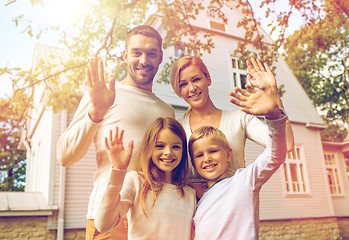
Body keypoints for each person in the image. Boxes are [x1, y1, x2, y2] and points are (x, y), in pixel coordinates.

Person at [56, 25, 175, 239]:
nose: (144, 61)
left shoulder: (166, 110)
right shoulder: (104, 95)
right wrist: (96, 112)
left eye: (151, 53)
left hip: (154, 219)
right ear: (125, 55)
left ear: (160, 58)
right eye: (137, 52)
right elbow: (65, 156)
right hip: (110, 218)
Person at [170, 56, 293, 180]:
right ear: (178, 91)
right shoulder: (177, 130)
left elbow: (286, 144)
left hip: (237, 198)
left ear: (208, 79)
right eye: (183, 84)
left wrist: (273, 92)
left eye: (196, 79)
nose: (191, 88)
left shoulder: (240, 119)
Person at [188, 84, 287, 240]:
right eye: (199, 155)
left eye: (213, 151)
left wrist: (274, 116)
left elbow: (275, 155)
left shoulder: (244, 181)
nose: (207, 158)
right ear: (193, 164)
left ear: (228, 154)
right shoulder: (197, 204)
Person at [94, 117, 196, 239]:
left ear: (183, 151)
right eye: (159, 146)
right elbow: (103, 225)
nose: (168, 152)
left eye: (176, 147)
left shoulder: (190, 194)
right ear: (149, 148)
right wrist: (118, 170)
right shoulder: (136, 181)